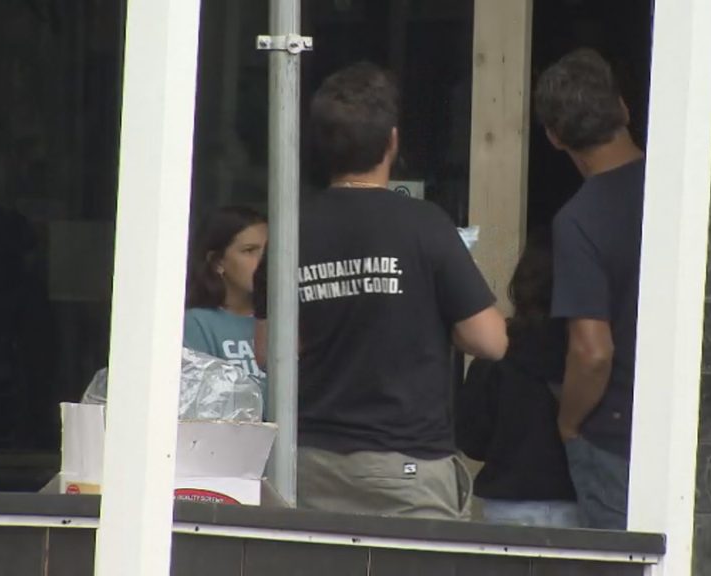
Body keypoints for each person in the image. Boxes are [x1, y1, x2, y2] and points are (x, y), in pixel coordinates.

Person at [253, 62, 507, 520]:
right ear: (392, 140)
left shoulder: (290, 232)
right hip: (406, 470)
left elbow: (269, 351)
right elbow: (490, 340)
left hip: (307, 465)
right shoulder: (424, 224)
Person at [533, 48, 646, 530]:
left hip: (616, 439)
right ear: (623, 108)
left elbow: (592, 351)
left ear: (555, 138)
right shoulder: (689, 189)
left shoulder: (579, 220)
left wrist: (570, 422)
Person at [456, 229, 579, 528]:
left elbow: (472, 440)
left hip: (508, 505)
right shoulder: (591, 353)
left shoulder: (497, 348)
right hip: (578, 501)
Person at [184, 206, 268, 381]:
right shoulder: (197, 324)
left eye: (268, 251)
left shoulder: (287, 322)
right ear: (217, 262)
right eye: (249, 250)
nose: (264, 261)